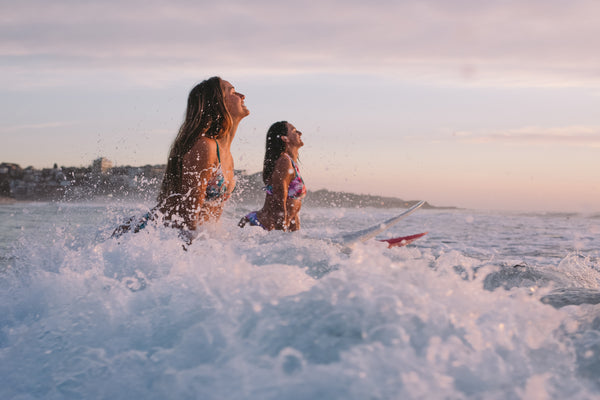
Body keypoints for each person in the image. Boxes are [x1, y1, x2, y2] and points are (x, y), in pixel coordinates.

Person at [112, 76, 249, 242]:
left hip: (173, 238)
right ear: (219, 103)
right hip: (148, 235)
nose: (242, 95)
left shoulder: (227, 154)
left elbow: (212, 218)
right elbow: (188, 214)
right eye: (233, 92)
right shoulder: (205, 147)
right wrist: (192, 252)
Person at [239, 121, 306, 231]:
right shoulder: (284, 162)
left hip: (269, 229)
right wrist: (280, 236)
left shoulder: (291, 163)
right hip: (260, 227)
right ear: (285, 138)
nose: (300, 132)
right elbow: (279, 202)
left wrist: (294, 237)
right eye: (294, 131)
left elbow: (293, 211)